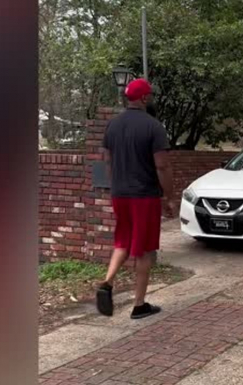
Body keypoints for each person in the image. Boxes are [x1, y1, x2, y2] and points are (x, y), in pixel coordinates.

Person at [96, 78, 175, 319]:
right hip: (144, 196)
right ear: (144, 98)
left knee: (123, 241)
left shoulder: (112, 125)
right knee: (144, 250)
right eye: (149, 95)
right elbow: (162, 166)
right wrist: (169, 197)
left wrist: (116, 186)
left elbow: (108, 161)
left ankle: (107, 282)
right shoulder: (153, 126)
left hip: (120, 194)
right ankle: (139, 305)